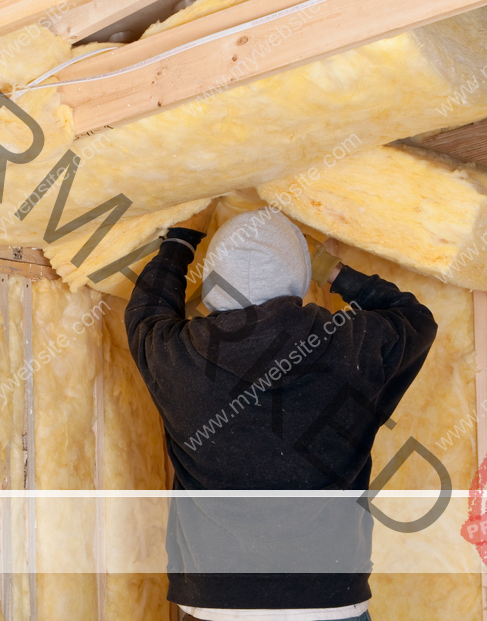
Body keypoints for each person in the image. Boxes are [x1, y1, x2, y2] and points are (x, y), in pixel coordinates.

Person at [124, 201, 438, 621]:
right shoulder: (349, 348)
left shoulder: (176, 356)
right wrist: (334, 271)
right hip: (331, 599)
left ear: (217, 282)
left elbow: (146, 312)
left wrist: (180, 241)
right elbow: (415, 318)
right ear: (297, 278)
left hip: (215, 603)